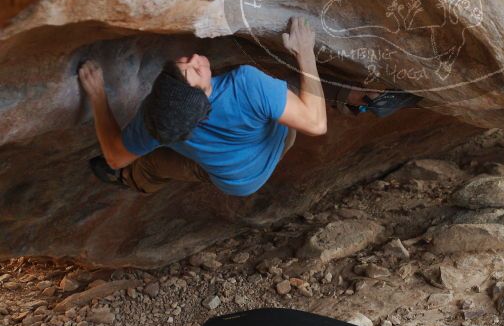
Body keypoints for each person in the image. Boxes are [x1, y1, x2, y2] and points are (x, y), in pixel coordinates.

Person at [78, 16, 419, 197]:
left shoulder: (153, 123)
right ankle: (359, 98)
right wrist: (304, 53)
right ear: (202, 100)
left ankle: (362, 99)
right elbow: (315, 125)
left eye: (184, 63)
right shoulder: (244, 84)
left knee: (149, 160)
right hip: (276, 143)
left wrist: (98, 99)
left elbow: (115, 156)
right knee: (287, 82)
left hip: (239, 179)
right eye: (195, 72)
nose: (197, 59)